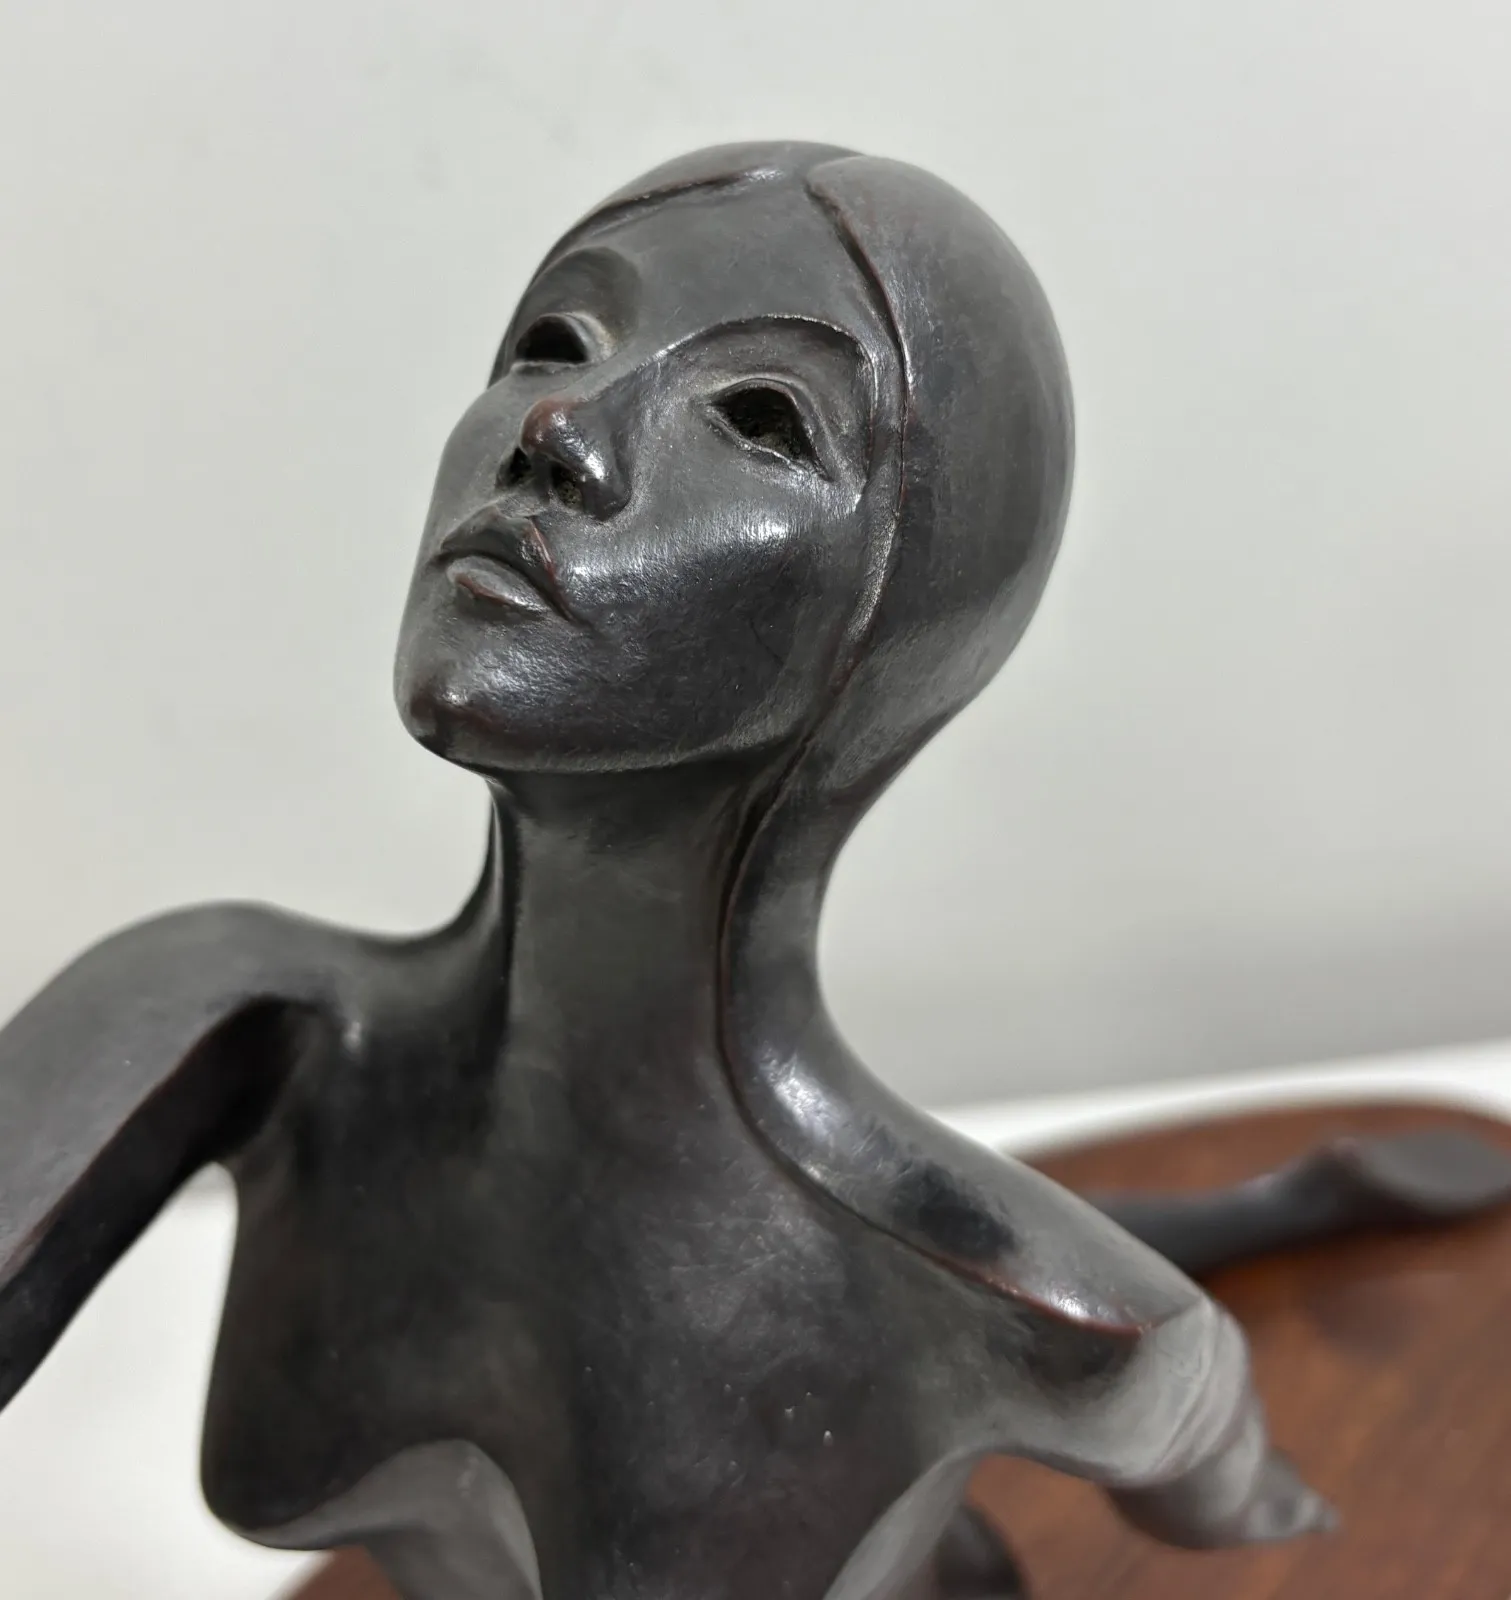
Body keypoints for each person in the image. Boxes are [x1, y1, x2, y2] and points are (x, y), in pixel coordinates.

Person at [2, 142, 1506, 1600]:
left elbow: (1199, 1420)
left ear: (907, 613)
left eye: (762, 419)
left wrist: (1265, 1502)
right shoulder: (240, 1019)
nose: (562, 424)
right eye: (555, 339)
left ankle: (1293, 1198)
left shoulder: (1014, 1301)